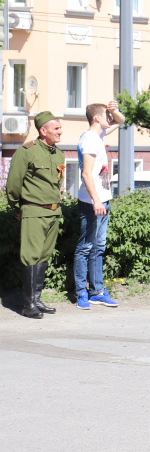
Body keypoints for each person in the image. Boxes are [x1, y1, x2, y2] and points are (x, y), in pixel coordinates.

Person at [5, 111, 66, 319]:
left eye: (59, 128)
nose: (60, 132)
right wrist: (18, 207)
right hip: (33, 210)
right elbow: (13, 183)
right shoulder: (27, 151)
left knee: (43, 255)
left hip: (53, 211)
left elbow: (57, 183)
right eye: (56, 128)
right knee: (31, 255)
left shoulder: (58, 154)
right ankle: (27, 304)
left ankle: (37, 300)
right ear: (43, 130)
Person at [75, 100, 124, 309]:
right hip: (91, 202)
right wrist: (96, 200)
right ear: (97, 117)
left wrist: (114, 110)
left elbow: (121, 121)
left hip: (103, 200)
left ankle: (97, 292)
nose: (109, 118)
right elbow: (86, 173)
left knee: (98, 247)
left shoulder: (98, 136)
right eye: (106, 114)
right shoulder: (89, 140)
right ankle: (81, 294)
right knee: (85, 248)